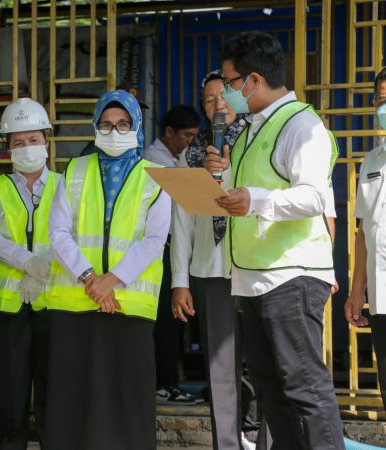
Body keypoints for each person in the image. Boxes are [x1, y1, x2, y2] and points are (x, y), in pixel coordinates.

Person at [205, 31, 344, 449]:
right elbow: (248, 193)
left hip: (291, 275)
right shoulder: (252, 128)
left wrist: (255, 199)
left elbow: (314, 196)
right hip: (253, 278)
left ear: (253, 80)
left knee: (304, 386)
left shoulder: (302, 125)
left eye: (229, 83)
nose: (226, 95)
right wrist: (221, 177)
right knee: (270, 388)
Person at [46, 90, 171, 450]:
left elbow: (155, 239)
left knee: (127, 398)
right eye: (105, 125)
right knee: (74, 398)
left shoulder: (157, 176)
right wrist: (90, 278)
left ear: (137, 127)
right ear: (95, 127)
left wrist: (111, 281)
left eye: (123, 125)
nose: (114, 132)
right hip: (75, 304)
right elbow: (57, 232)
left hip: (129, 306)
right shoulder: (74, 169)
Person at [171, 70, 252, 450]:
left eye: (224, 96)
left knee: (265, 364)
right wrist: (180, 281)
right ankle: (227, 445)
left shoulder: (257, 141)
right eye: (208, 99)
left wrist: (229, 169)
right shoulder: (191, 154)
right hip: (210, 270)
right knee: (220, 369)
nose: (218, 104)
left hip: (255, 268)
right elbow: (181, 221)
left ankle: (267, 440)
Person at [0, 98, 58, 450]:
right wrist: (28, 263)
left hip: (53, 303)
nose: (27, 147)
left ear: (46, 141)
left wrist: (42, 270)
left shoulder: (65, 185)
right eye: (18, 141)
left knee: (53, 392)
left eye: (33, 139)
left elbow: (71, 235)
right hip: (8, 308)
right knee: (10, 396)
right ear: (8, 147)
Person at [142, 104, 202, 406]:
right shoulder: (155, 160)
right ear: (169, 132)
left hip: (175, 248)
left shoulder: (175, 159)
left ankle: (168, 382)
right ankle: (163, 385)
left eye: (194, 137)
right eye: (186, 136)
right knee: (167, 320)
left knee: (175, 322)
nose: (191, 142)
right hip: (161, 249)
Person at [345, 66, 386, 411]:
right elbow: (363, 232)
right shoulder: (372, 160)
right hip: (381, 295)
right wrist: (357, 291)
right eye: (382, 101)